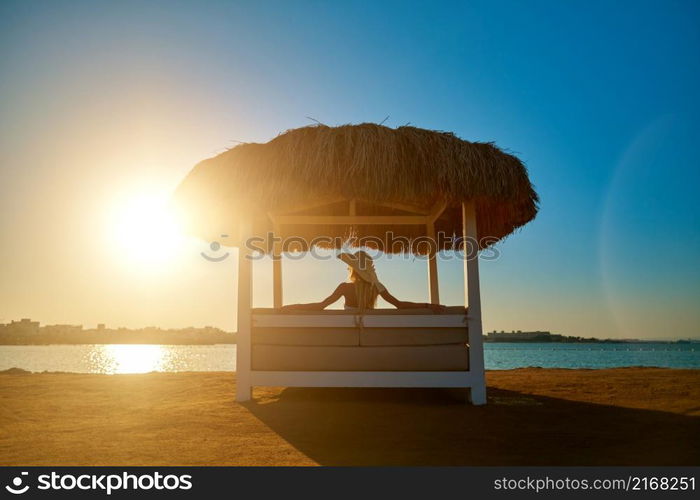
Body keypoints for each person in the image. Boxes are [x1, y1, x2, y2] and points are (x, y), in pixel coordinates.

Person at [281, 251, 445, 312]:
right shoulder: (376, 287)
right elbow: (400, 305)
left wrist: (292, 307)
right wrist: (428, 305)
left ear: (352, 269)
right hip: (371, 331)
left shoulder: (345, 287)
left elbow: (320, 306)